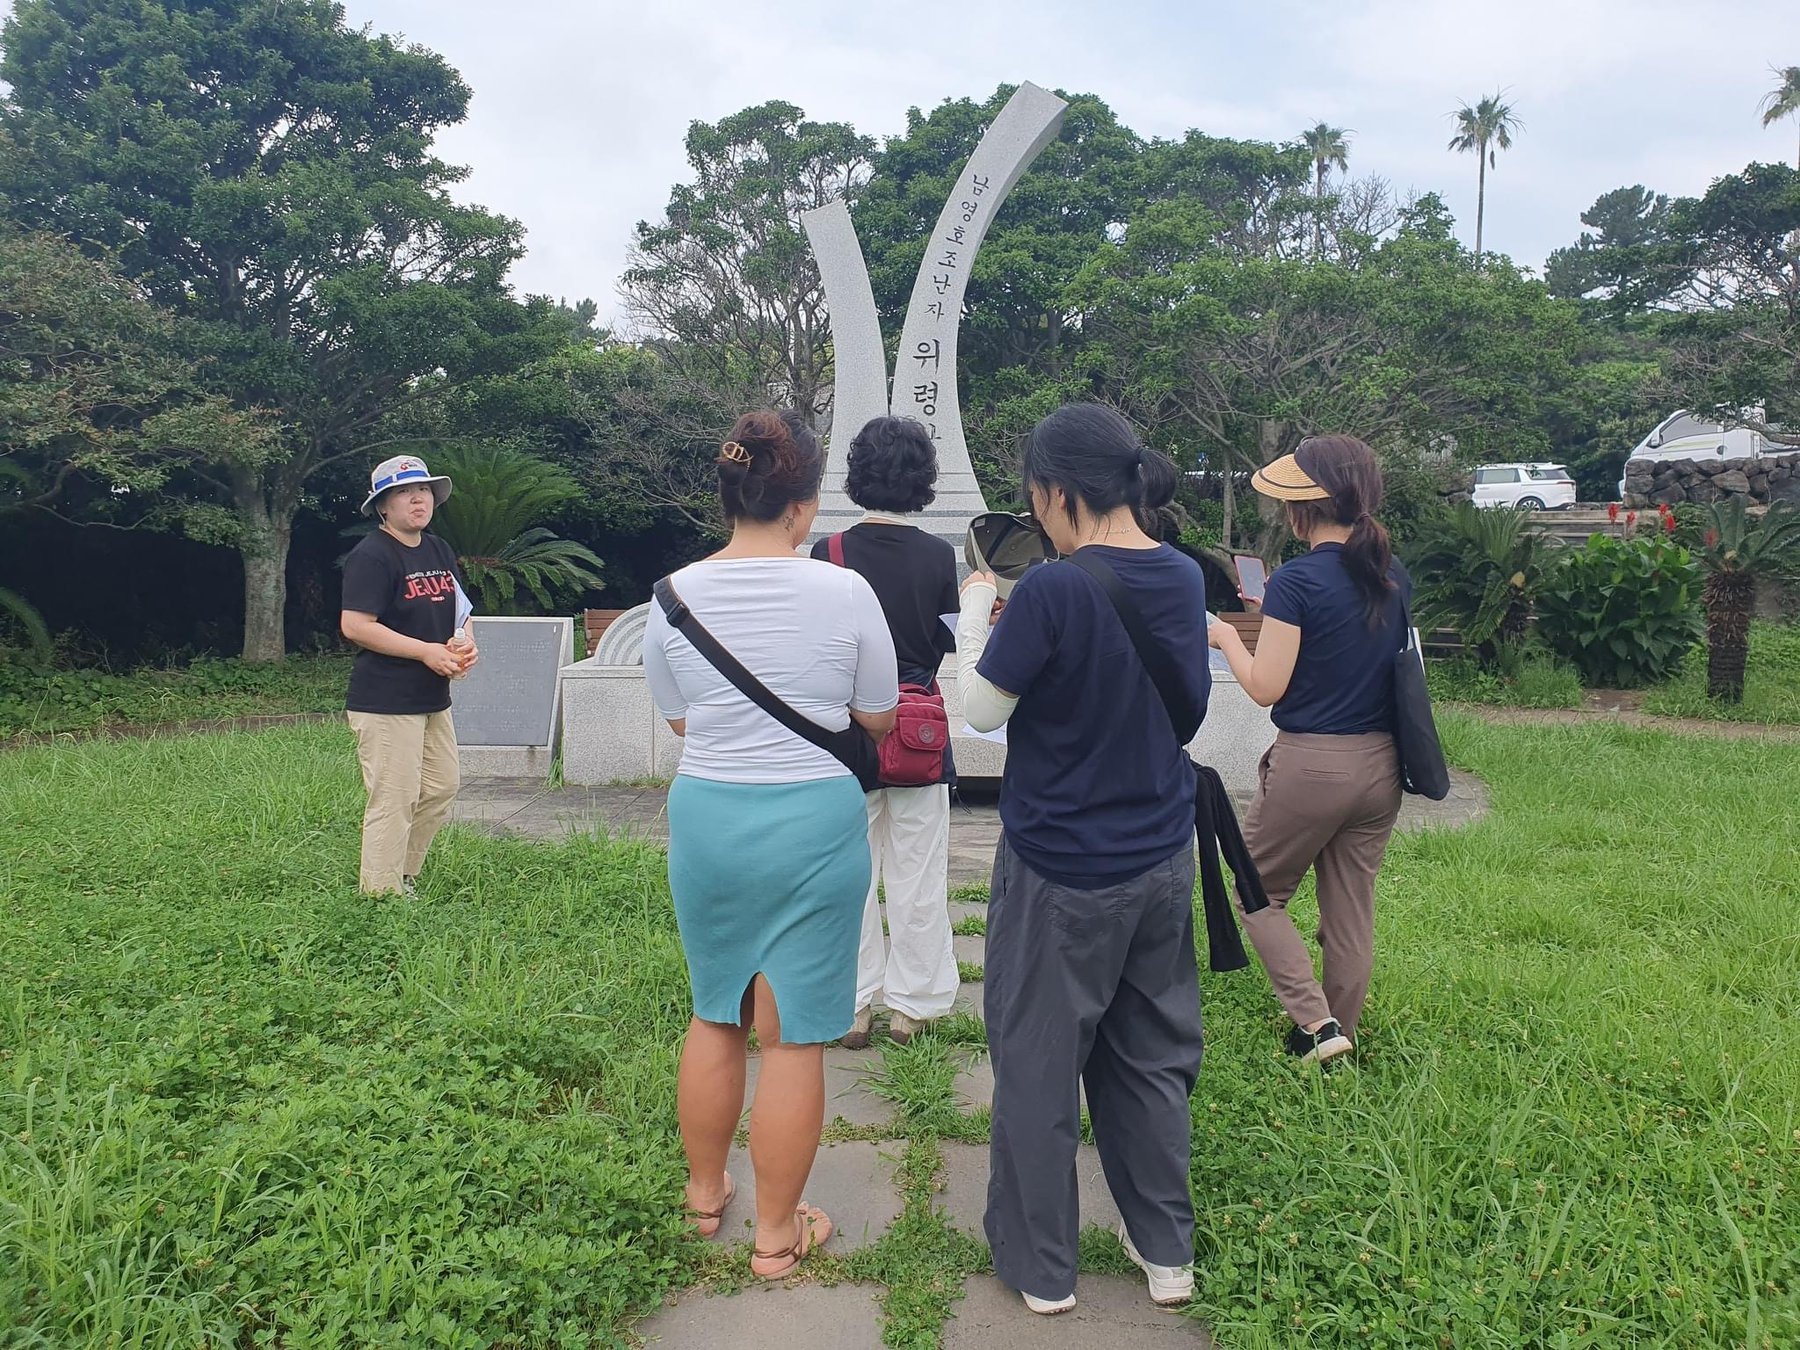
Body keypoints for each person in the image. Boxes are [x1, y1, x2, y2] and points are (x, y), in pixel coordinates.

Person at [954, 403, 1209, 1316]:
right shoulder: (1182, 577)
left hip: (1058, 868)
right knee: (1148, 1060)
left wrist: (979, 613)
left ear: (1056, 493)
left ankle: (1043, 1267)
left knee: (1036, 1062)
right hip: (1158, 859)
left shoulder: (1057, 590)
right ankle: (1166, 1253)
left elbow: (980, 715)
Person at [643, 409, 899, 1279]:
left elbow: (680, 717)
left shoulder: (672, 594)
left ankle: (705, 1196)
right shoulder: (846, 590)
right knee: (791, 1036)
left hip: (710, 813)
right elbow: (878, 716)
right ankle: (777, 1234)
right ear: (804, 505)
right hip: (814, 822)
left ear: (728, 498)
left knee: (715, 1009)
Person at [1207, 435, 1409, 1065]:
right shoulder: (1392, 574)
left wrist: (1223, 636)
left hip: (1313, 765)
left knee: (1254, 890)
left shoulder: (1296, 580)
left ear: (1302, 509)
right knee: (1350, 909)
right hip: (1383, 767)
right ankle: (1336, 1030)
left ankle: (1317, 1025)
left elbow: (1267, 686)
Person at [809, 415, 960, 1049]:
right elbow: (946, 641)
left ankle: (854, 1005)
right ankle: (913, 1005)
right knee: (919, 870)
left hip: (848, 735)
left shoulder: (829, 553)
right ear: (923, 480)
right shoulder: (938, 555)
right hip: (920, 730)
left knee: (850, 874)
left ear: (858, 476)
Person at [340, 454, 478, 898]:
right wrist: (425, 652)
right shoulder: (372, 555)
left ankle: (401, 873)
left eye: (423, 490)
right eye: (403, 491)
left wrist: (464, 642)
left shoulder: (437, 548)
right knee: (395, 796)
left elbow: (460, 608)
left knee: (441, 786)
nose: (417, 498)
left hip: (432, 695)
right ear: (383, 506)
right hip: (385, 698)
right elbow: (356, 626)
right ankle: (379, 895)